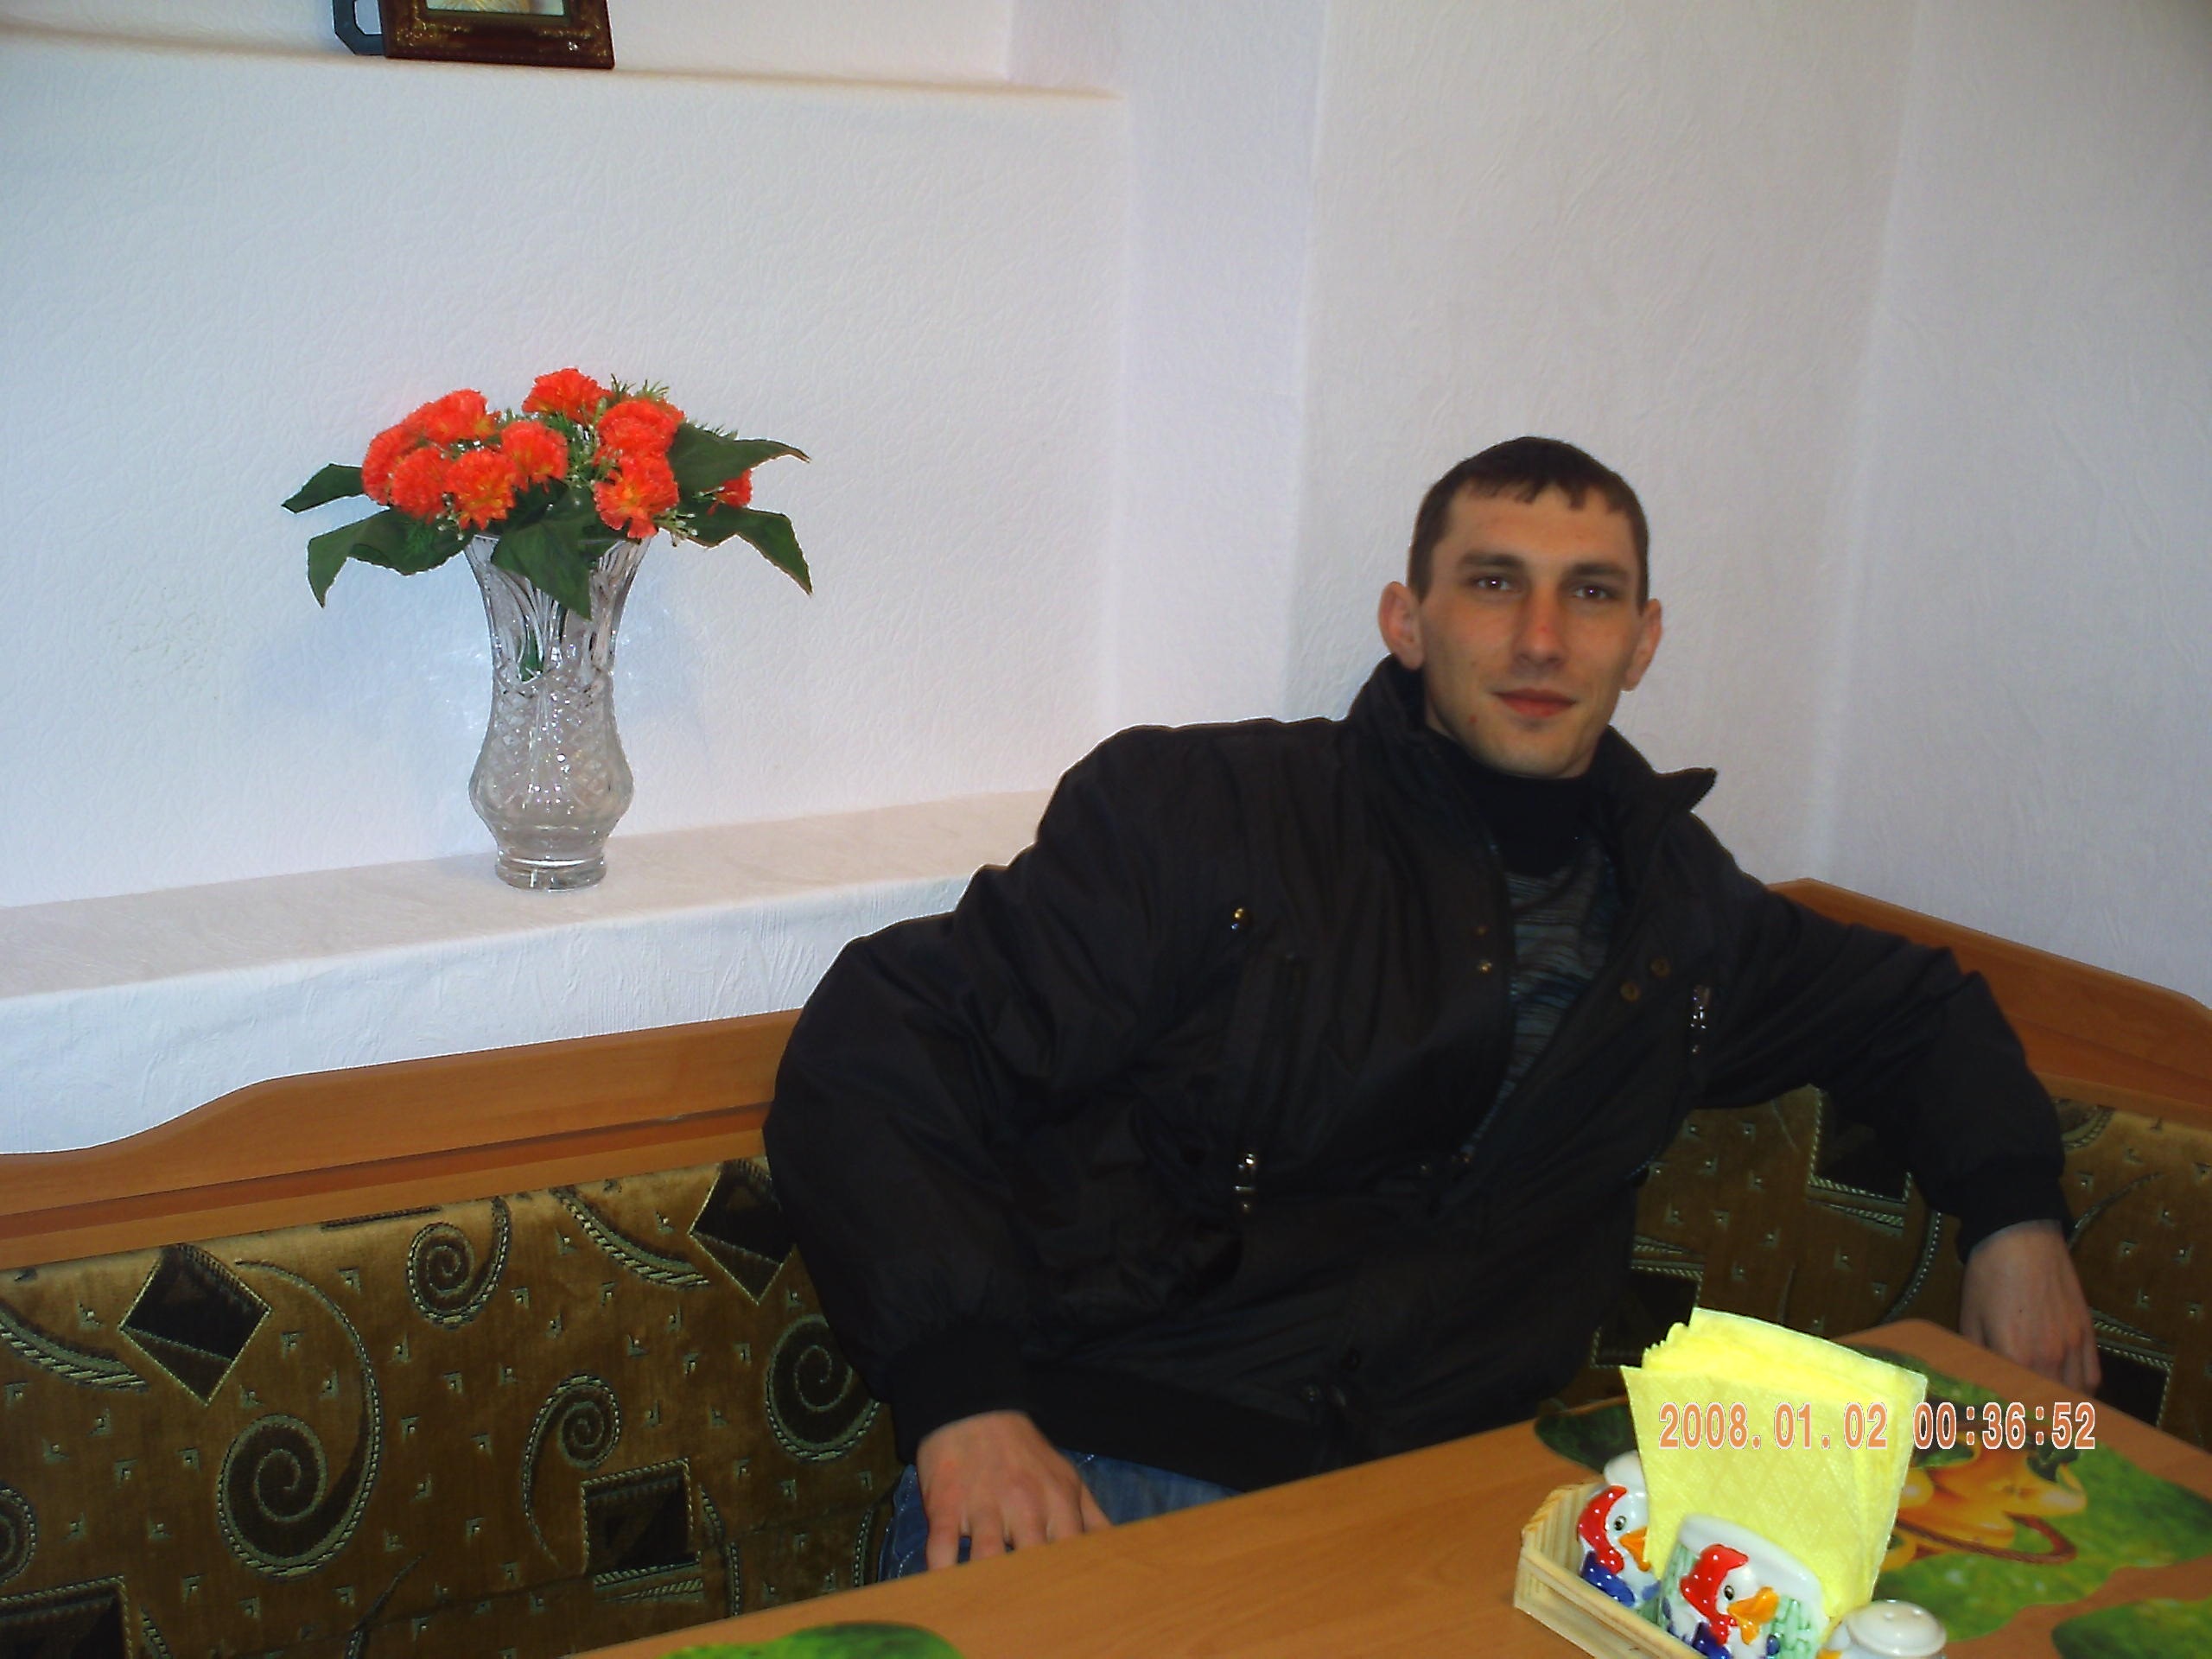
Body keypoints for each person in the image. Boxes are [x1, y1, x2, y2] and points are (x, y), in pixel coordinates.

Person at [763, 437, 2098, 1576]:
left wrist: (2016, 1216)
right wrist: (964, 1401)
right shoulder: (1207, 816)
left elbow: (1914, 1009)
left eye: (1590, 595)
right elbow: (885, 1042)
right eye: (1494, 583)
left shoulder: (1683, 918)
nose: (1541, 639)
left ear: (1643, 642)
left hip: (1456, 1513)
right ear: (1407, 621)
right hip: (1107, 1471)